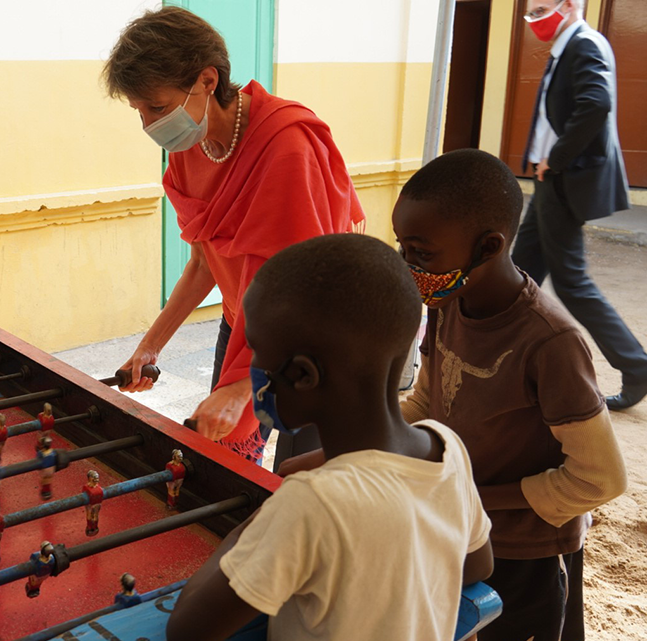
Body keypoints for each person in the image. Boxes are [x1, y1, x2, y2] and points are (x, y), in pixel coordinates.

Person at [167, 234, 493, 641]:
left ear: (302, 376)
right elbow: (478, 566)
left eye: (256, 354)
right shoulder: (445, 448)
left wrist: (258, 524)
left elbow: (189, 629)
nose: (250, 374)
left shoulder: (309, 503)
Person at [104, 7, 364, 461]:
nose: (148, 125)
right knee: (225, 459)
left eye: (158, 107)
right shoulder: (189, 146)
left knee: (302, 477)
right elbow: (205, 262)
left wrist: (247, 384)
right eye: (139, 110)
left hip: (309, 338)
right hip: (242, 322)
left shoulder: (286, 145)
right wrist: (150, 347)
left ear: (207, 80)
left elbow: (307, 286)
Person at [397, 149, 627, 641]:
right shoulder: (447, 301)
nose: (408, 265)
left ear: (489, 246)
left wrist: (475, 497)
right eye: (402, 248)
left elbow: (600, 479)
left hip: (529, 554)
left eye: (421, 252)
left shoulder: (550, 343)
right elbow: (427, 401)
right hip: (462, 530)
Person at [512, 0, 647, 410]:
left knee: (570, 282)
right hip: (550, 179)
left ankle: (636, 364)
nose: (533, 19)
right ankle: (510, 365)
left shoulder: (585, 44)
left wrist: (558, 157)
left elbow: (596, 104)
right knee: (521, 275)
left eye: (540, 9)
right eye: (529, 11)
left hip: (564, 180)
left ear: (569, 5)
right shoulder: (568, 45)